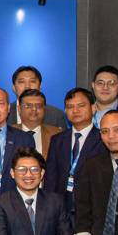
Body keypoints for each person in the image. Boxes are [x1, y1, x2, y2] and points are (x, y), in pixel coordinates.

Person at [45, 87, 105, 222]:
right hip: (61, 212)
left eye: (81, 106)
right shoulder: (57, 140)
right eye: (70, 107)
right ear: (65, 111)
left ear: (93, 108)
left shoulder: (103, 139)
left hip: (92, 212)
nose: (75, 110)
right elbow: (51, 178)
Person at [17, 89, 62, 158]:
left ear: (44, 109)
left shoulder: (57, 134)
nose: (34, 109)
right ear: (19, 109)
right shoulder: (9, 132)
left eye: (38, 106)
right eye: (28, 106)